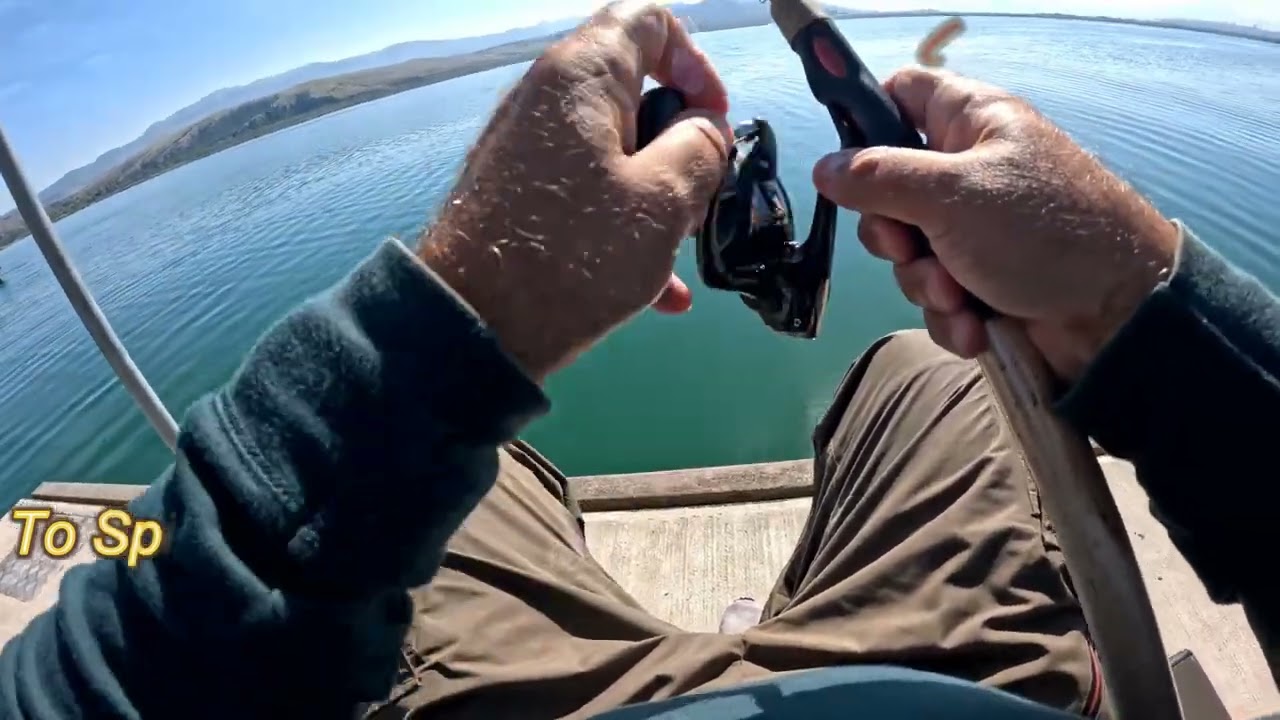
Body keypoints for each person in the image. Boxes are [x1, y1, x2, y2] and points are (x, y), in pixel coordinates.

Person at [1, 2, 1277, 718]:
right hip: (965, 683)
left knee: (472, 480)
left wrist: (471, 296)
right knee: (928, 369)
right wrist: (1127, 295)